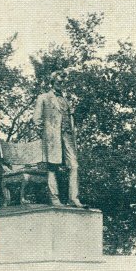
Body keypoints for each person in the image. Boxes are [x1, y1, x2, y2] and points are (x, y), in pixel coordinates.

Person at [32, 74, 83, 207]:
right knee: (53, 167)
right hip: (53, 138)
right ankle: (54, 198)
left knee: (74, 165)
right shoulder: (43, 97)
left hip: (68, 137)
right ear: (53, 82)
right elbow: (36, 119)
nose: (61, 84)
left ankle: (74, 199)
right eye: (59, 81)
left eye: (63, 82)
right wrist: (48, 132)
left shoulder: (66, 100)